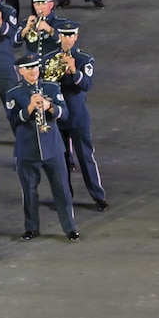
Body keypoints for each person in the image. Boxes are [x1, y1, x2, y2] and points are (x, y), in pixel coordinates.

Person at [3, 53, 77, 240]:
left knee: (62, 190)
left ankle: (70, 228)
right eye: (28, 68)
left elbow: (65, 113)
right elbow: (12, 119)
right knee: (29, 191)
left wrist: (49, 107)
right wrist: (28, 108)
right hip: (27, 149)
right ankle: (32, 227)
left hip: (53, 148)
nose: (33, 71)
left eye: (35, 67)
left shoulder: (51, 87)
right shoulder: (13, 93)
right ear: (20, 71)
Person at [48, 21, 105, 210]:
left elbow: (87, 85)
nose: (67, 40)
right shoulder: (49, 58)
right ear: (60, 37)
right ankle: (65, 198)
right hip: (57, 116)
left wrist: (74, 71)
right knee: (61, 161)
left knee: (85, 156)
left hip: (78, 116)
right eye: (64, 36)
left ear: (76, 37)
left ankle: (98, 196)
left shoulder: (84, 59)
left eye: (71, 36)